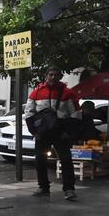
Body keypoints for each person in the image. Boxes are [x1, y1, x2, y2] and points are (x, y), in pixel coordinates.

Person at [24, 66, 79, 201]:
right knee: (40, 160)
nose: (53, 77)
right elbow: (29, 113)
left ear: (60, 77)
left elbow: (76, 115)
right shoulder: (35, 93)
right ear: (46, 76)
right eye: (50, 75)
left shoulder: (68, 93)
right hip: (43, 133)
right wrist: (34, 131)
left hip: (61, 133)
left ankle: (69, 189)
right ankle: (43, 188)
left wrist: (68, 132)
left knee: (66, 160)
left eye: (56, 75)